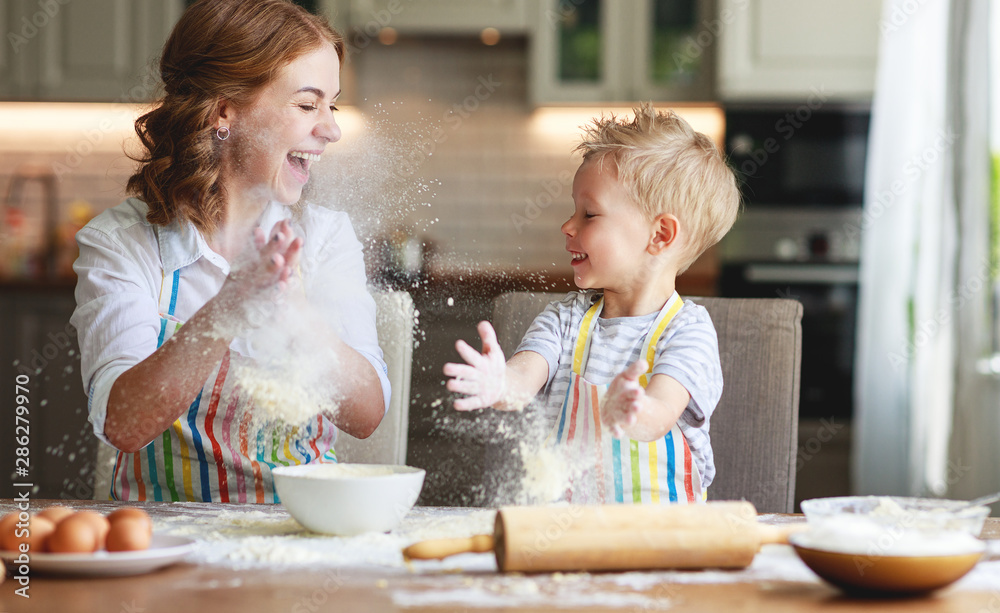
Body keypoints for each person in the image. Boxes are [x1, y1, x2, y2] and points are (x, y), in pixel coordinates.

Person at [71, 0, 389, 502]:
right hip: (162, 543)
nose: (331, 128)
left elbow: (366, 415)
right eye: (308, 105)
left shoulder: (325, 236)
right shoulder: (123, 242)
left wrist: (293, 312)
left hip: (299, 531)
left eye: (332, 104)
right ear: (225, 111)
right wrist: (230, 307)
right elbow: (124, 425)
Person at [444, 104, 739, 504]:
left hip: (660, 543)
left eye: (590, 213)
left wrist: (634, 410)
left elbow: (660, 414)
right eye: (574, 210)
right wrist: (501, 383)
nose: (568, 225)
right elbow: (522, 380)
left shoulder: (687, 331)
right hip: (564, 539)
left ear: (660, 235)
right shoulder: (565, 321)